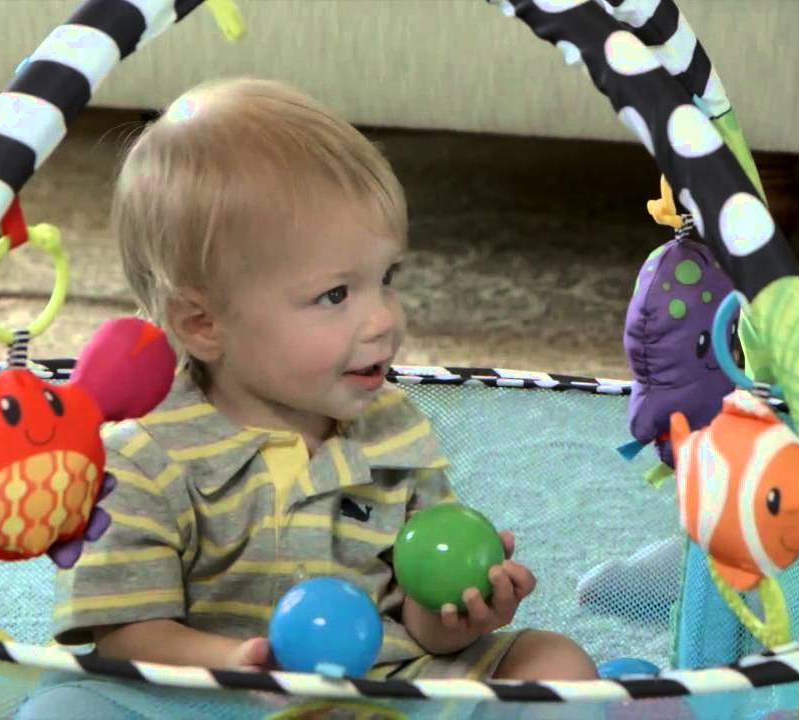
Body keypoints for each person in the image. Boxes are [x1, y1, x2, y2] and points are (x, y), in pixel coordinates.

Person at [40, 77, 597, 698]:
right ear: (204, 324)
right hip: (214, 702)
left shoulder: (395, 431)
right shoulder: (142, 456)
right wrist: (244, 663)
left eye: (387, 277)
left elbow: (416, 622)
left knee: (554, 662)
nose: (385, 317)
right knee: (68, 705)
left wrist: (454, 618)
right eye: (336, 294)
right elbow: (127, 638)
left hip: (382, 690)